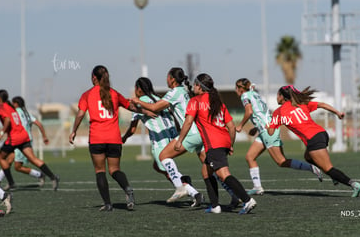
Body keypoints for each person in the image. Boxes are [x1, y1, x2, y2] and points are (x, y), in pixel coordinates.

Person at [175, 73, 257, 214]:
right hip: (224, 140)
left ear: (200, 87)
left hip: (214, 144)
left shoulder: (196, 101)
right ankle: (215, 206)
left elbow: (188, 122)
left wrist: (180, 141)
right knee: (206, 172)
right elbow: (231, 126)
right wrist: (230, 144)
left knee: (224, 174)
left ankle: (247, 200)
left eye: (195, 84)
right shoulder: (217, 102)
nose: (193, 87)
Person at [267, 85, 360, 197]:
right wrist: (337, 112)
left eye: (278, 95)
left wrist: (269, 124)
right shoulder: (301, 104)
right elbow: (321, 104)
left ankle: (354, 184)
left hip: (313, 139)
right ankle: (333, 176)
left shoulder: (278, 112)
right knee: (308, 157)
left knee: (328, 168)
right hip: (322, 133)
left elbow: (270, 132)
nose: (276, 97)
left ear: (282, 97)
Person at [123, 77, 203, 206]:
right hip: (172, 135)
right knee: (158, 166)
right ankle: (184, 183)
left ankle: (193, 192)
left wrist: (124, 138)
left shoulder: (140, 102)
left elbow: (132, 129)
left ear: (138, 89)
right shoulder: (158, 98)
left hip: (160, 140)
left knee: (166, 169)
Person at [235, 78, 322, 195]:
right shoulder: (254, 94)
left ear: (241, 89)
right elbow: (262, 112)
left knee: (281, 161)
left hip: (268, 131)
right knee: (250, 157)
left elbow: (249, 112)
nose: (236, 90)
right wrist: (256, 128)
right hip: (265, 129)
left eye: (237, 88)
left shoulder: (245, 96)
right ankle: (257, 187)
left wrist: (240, 125)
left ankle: (311, 168)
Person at [69, 65, 138, 211]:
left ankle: (107, 204)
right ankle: (127, 189)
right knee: (115, 170)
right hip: (114, 138)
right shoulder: (114, 93)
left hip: (97, 138)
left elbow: (80, 114)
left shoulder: (87, 94)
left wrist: (73, 131)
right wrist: (146, 110)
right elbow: (130, 106)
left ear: (94, 77)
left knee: (100, 171)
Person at [0, 90, 59, 192]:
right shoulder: (14, 109)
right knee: (31, 159)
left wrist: (2, 133)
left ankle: (10, 182)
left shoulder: (2, 108)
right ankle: (52, 177)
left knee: (1, 158)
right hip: (24, 136)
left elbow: (7, 120)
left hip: (14, 138)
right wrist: (44, 136)